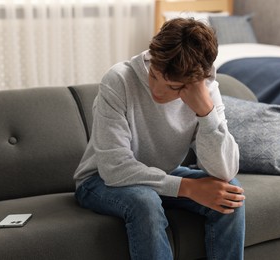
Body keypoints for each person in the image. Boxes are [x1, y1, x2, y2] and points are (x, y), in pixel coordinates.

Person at [74, 17, 245, 260]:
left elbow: (225, 170)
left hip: (160, 176)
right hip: (98, 181)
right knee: (145, 201)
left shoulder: (206, 90)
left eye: (173, 87)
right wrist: (187, 187)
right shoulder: (119, 80)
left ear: (196, 81)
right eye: (154, 76)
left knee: (231, 194)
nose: (157, 91)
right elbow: (114, 168)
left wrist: (206, 113)